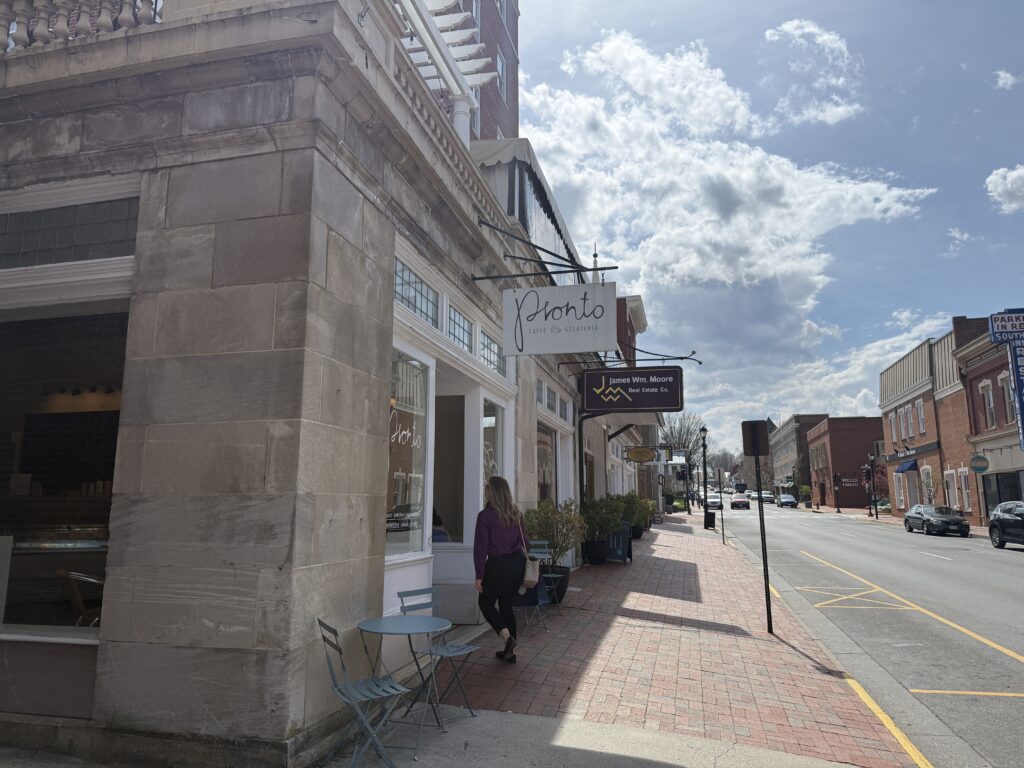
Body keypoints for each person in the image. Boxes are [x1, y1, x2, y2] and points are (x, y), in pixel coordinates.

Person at [473, 475, 526, 664]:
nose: (484, 489)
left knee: (485, 603)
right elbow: (525, 543)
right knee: (506, 605)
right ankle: (510, 651)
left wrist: (479, 575)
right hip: (517, 564)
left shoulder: (485, 516)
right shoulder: (516, 513)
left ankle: (507, 638)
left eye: (487, 487)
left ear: (493, 491)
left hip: (497, 565)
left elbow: (481, 548)